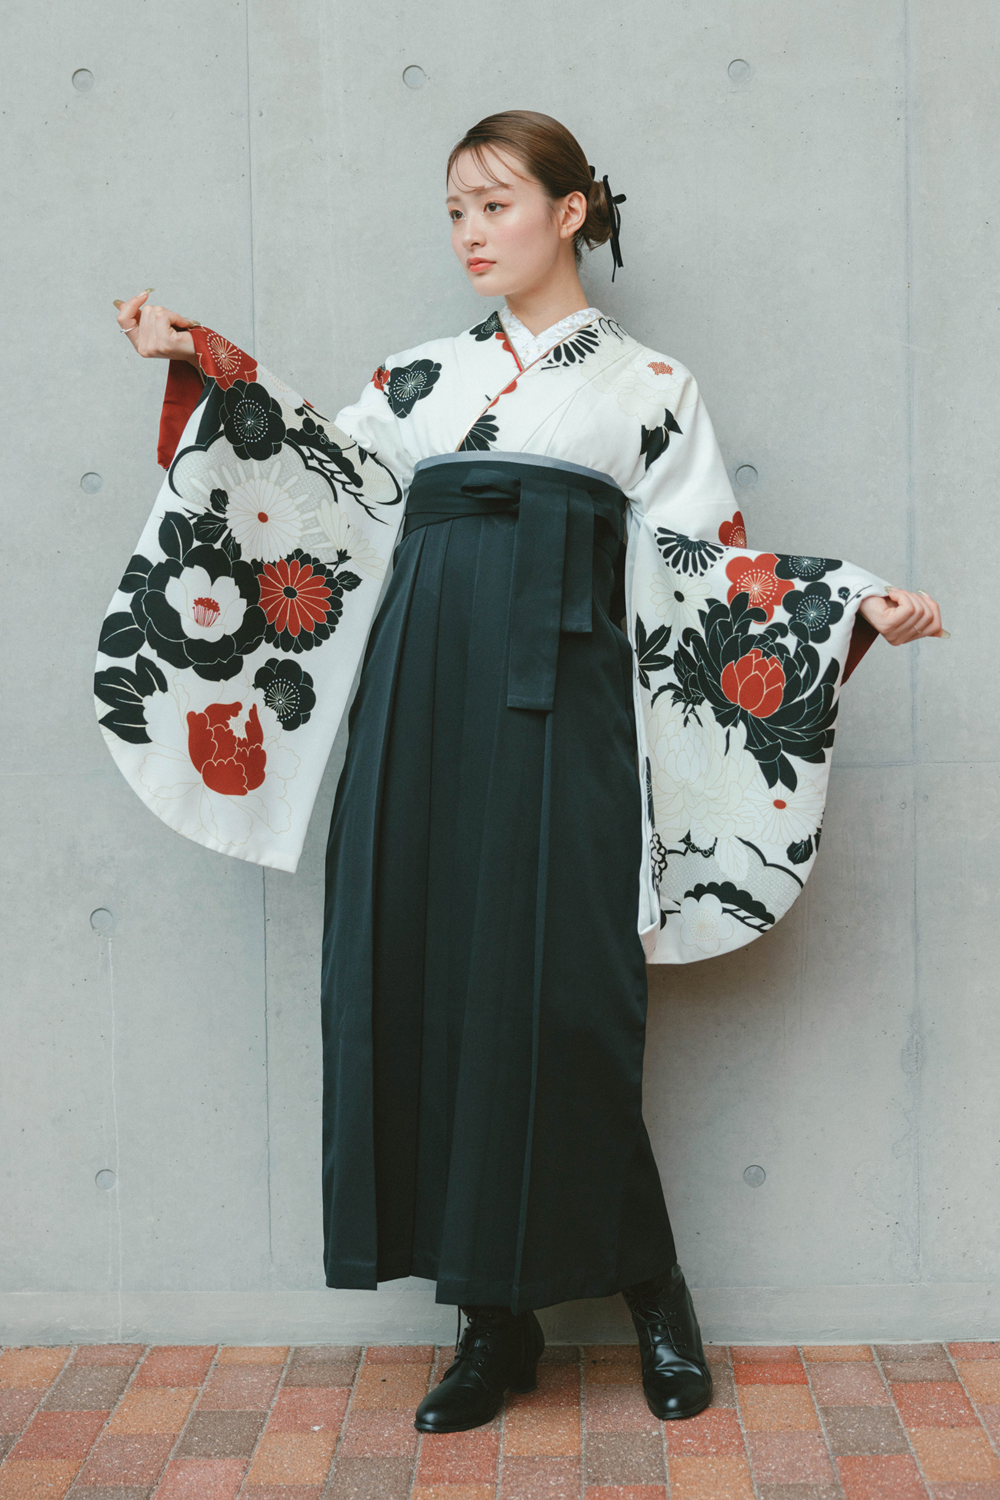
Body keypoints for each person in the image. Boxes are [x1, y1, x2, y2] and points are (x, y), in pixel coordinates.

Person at [109, 110, 944, 1435]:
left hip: (572, 703)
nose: (471, 233)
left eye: (496, 204)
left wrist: (845, 602)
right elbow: (317, 498)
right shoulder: (417, 380)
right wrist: (207, 366)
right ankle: (491, 1326)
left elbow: (703, 571)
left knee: (563, 995)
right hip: (419, 699)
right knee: (429, 977)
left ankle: (654, 1292)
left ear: (570, 211)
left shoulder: (651, 386)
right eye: (455, 210)